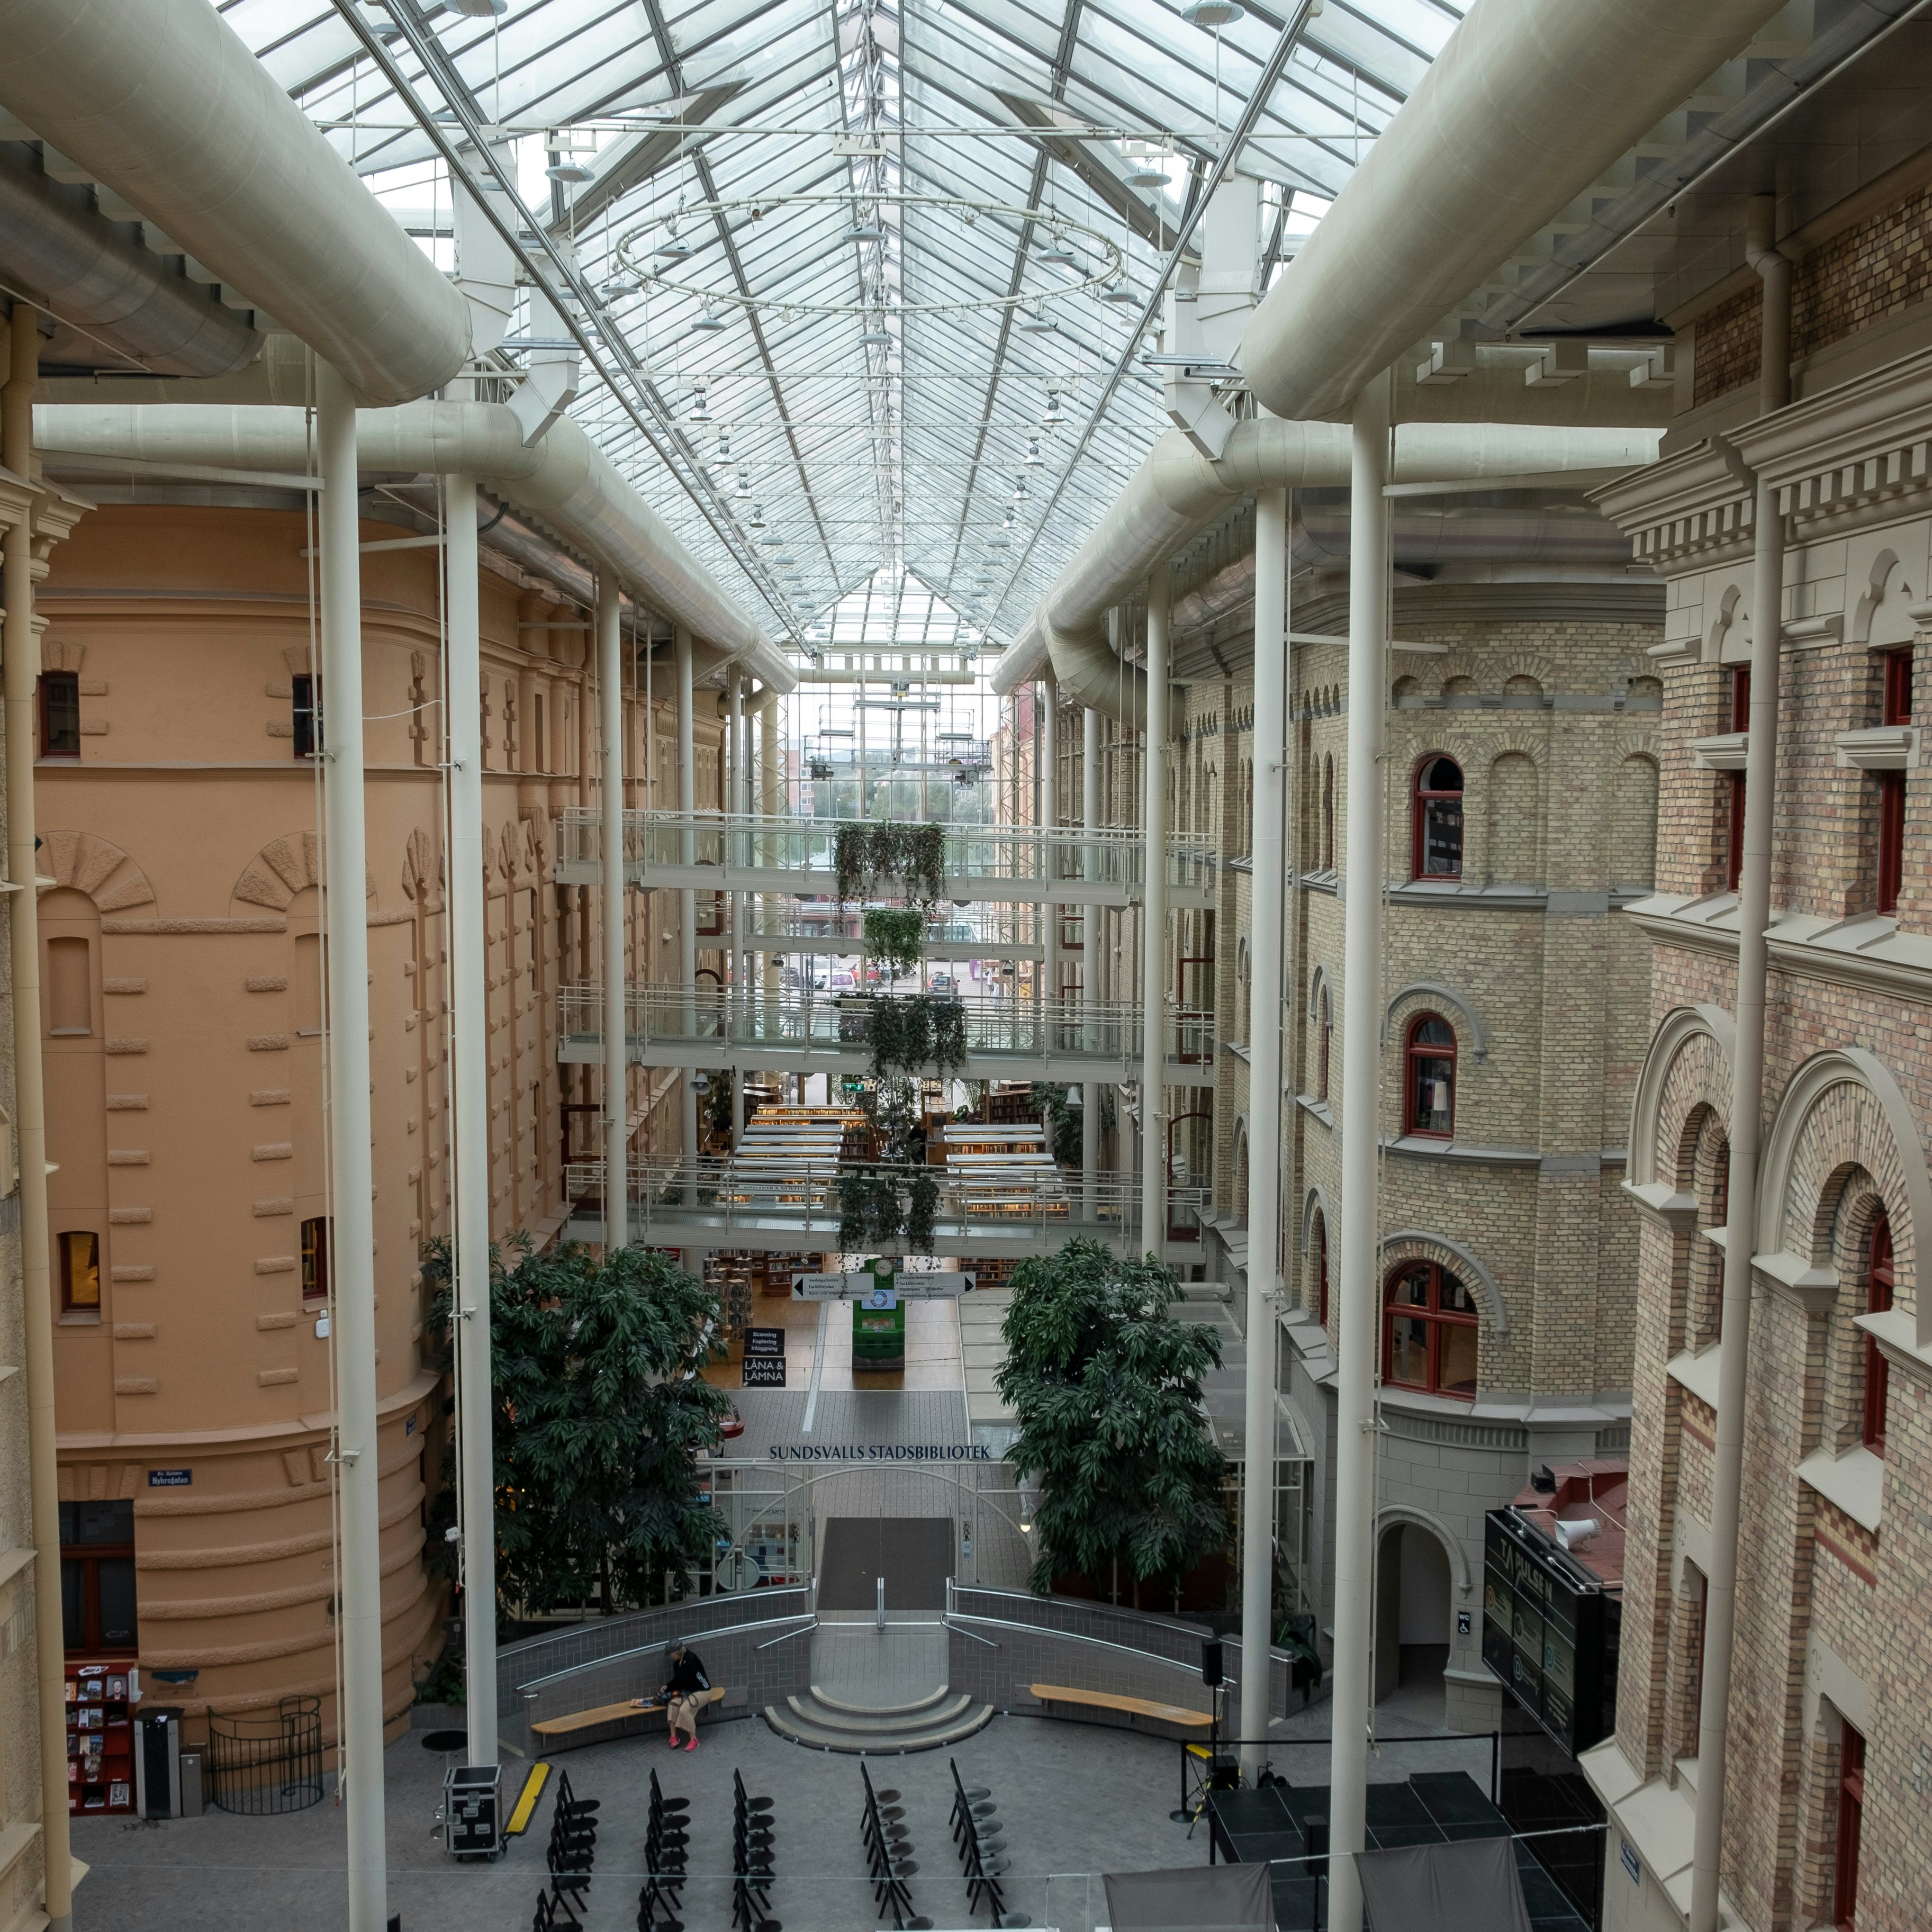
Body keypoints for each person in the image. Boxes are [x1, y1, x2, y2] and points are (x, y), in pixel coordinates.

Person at [656, 1639, 710, 1752]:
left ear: (677, 1653)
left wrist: (669, 1690)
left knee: (685, 1710)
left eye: (670, 1655)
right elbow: (678, 1679)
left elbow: (684, 1681)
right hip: (689, 1692)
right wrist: (668, 1686)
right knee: (673, 1704)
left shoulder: (691, 1659)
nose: (670, 1658)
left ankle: (694, 1740)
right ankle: (674, 1737)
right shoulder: (678, 1662)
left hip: (703, 1691)